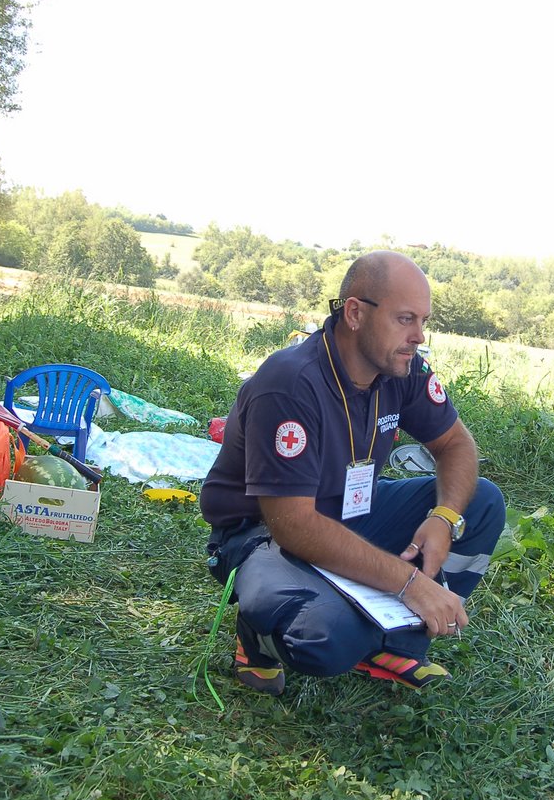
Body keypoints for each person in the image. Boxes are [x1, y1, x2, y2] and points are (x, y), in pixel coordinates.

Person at [200, 251, 506, 695]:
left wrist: (443, 518)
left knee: (481, 504)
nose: (419, 336)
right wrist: (408, 582)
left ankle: (396, 641)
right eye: (405, 319)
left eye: (423, 320)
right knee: (326, 636)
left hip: (351, 510)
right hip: (263, 533)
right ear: (356, 313)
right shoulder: (290, 382)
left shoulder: (403, 367)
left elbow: (456, 445)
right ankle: (258, 637)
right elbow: (295, 526)